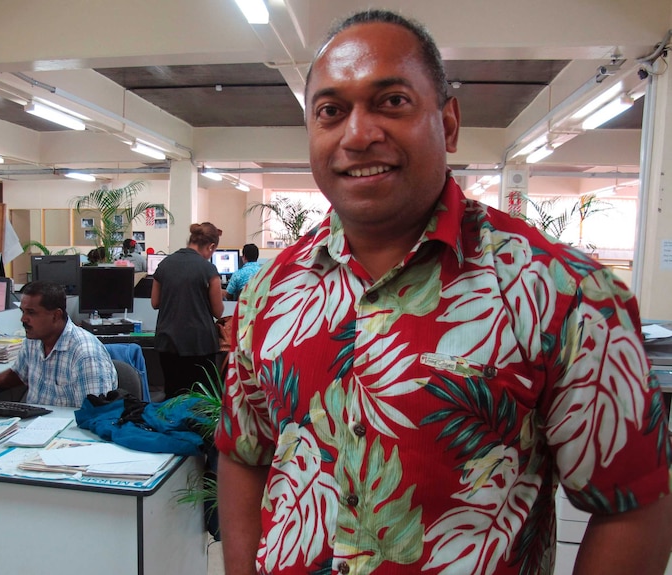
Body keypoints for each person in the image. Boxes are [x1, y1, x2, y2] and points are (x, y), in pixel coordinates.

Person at [215, 9, 672, 575]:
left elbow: (631, 506)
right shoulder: (271, 291)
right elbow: (243, 452)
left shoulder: (564, 292)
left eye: (392, 102)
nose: (358, 134)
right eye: (331, 111)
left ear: (448, 123)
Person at [0, 281, 117, 406]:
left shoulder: (85, 353)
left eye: (31, 313)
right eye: (22, 311)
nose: (23, 319)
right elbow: (19, 373)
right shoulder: (34, 340)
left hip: (69, 437)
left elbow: (97, 414)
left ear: (56, 315)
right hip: (33, 428)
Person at [151, 222, 224, 398]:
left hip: (168, 343)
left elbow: (155, 302)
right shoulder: (208, 269)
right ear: (211, 246)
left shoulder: (165, 264)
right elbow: (217, 312)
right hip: (199, 344)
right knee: (199, 400)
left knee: (172, 396)